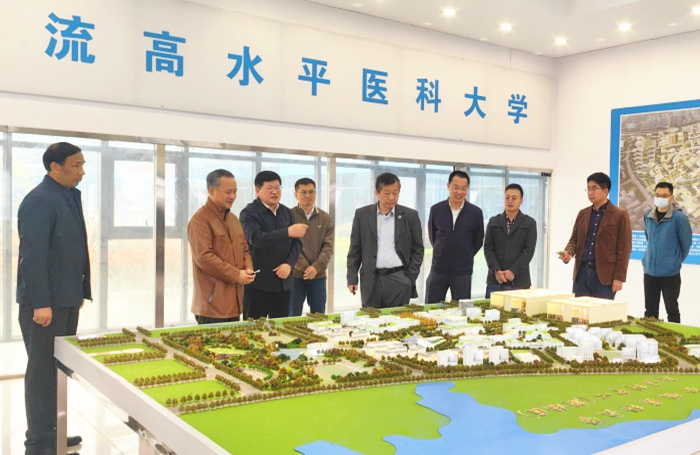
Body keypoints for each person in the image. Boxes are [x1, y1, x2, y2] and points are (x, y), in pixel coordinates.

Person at [17, 142, 90, 455]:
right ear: (54, 167)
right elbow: (32, 257)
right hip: (45, 305)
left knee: (59, 369)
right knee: (42, 372)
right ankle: (39, 441)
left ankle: (53, 433)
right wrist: (40, 303)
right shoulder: (40, 200)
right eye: (76, 165)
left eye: (83, 164)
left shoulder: (67, 196)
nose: (82, 171)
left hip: (66, 300)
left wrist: (79, 292)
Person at [347, 172, 424, 308]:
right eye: (387, 193)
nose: (391, 197)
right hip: (371, 280)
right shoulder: (362, 215)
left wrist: (410, 277)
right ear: (377, 193)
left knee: (398, 318)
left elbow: (418, 249)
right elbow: (355, 249)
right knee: (370, 318)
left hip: (399, 279)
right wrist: (352, 277)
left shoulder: (410, 216)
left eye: (395, 193)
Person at [188, 169, 255, 324]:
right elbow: (204, 258)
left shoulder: (233, 219)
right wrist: (236, 274)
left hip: (235, 303)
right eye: (228, 192)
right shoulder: (200, 220)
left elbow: (245, 249)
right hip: (212, 306)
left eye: (235, 192)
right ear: (211, 191)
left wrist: (248, 268)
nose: (233, 196)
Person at [240, 171, 306, 319]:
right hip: (259, 284)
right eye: (269, 188)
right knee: (255, 327)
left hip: (283, 283)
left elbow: (297, 244)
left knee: (281, 327)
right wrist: (287, 232)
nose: (275, 192)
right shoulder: (249, 213)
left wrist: (289, 264)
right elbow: (257, 238)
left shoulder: (286, 212)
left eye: (277, 187)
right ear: (258, 190)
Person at [559, 172, 632, 299]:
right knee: (579, 309)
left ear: (605, 191)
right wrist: (568, 253)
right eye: (588, 188)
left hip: (605, 276)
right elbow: (574, 240)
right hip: (581, 273)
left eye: (594, 188)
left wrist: (619, 277)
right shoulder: (583, 214)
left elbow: (624, 249)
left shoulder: (619, 215)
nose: (590, 192)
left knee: (602, 310)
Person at [425, 170, 483, 303]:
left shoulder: (475, 213)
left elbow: (478, 241)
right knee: (432, 307)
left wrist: (465, 255)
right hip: (438, 269)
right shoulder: (436, 209)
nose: (459, 192)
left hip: (462, 271)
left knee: (461, 309)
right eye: (456, 187)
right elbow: (433, 236)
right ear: (448, 186)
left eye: (463, 188)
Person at [642, 182, 692, 323]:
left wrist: (674, 261)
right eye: (657, 195)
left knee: (672, 310)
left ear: (671, 197)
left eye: (664, 196)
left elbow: (686, 244)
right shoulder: (648, 215)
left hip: (670, 273)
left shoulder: (679, 218)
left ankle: (673, 336)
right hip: (650, 271)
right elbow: (649, 238)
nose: (660, 198)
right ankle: (650, 336)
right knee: (650, 311)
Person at [289, 178, 334, 316]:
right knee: (292, 315)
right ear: (296, 194)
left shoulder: (326, 218)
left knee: (319, 316)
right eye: (303, 192)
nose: (308, 195)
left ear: (315, 193)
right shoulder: (288, 216)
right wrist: (304, 268)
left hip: (318, 275)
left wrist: (315, 267)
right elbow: (288, 246)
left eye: (311, 192)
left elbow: (328, 247)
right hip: (295, 275)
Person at [483, 183, 537, 298]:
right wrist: (496, 270)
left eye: (514, 198)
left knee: (518, 310)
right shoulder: (494, 221)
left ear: (521, 201)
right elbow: (488, 248)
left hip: (519, 281)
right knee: (491, 309)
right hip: (495, 280)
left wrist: (513, 271)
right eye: (507, 197)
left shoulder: (529, 223)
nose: (510, 201)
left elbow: (528, 251)